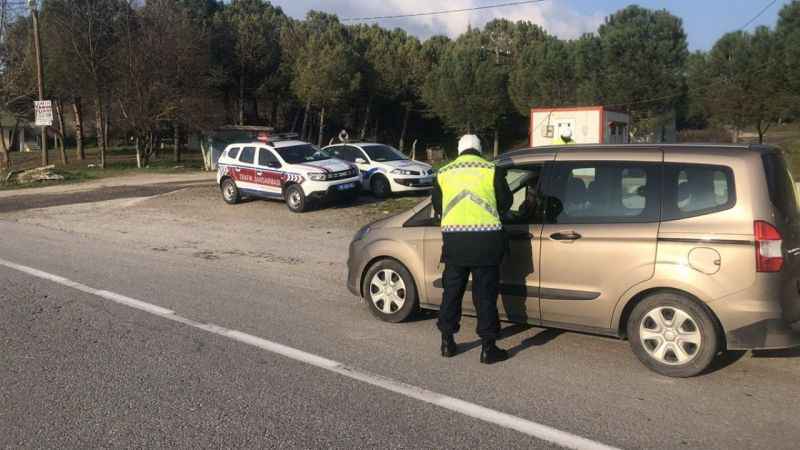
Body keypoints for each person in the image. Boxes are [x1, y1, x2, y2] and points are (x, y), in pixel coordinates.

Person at [431, 134, 513, 364]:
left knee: (452, 292)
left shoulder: (443, 173)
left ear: (459, 150)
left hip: (455, 244)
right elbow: (506, 203)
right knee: (485, 296)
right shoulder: (491, 170)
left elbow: (437, 205)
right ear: (479, 149)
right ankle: (488, 348)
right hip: (486, 243)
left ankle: (447, 342)